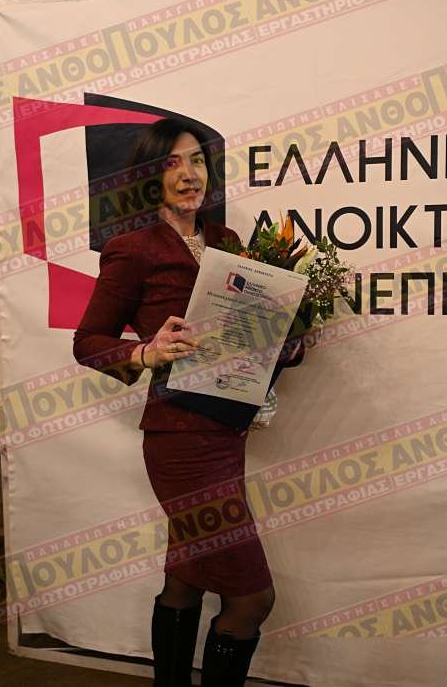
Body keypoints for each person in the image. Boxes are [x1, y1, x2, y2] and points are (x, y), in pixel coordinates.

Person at [73, 118, 300, 686]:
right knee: (252, 599)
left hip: (226, 433)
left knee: (186, 578)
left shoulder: (227, 242)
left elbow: (248, 331)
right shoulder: (133, 250)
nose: (188, 174)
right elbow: (87, 341)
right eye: (172, 163)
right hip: (179, 441)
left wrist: (286, 335)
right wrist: (145, 352)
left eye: (197, 160)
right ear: (150, 177)